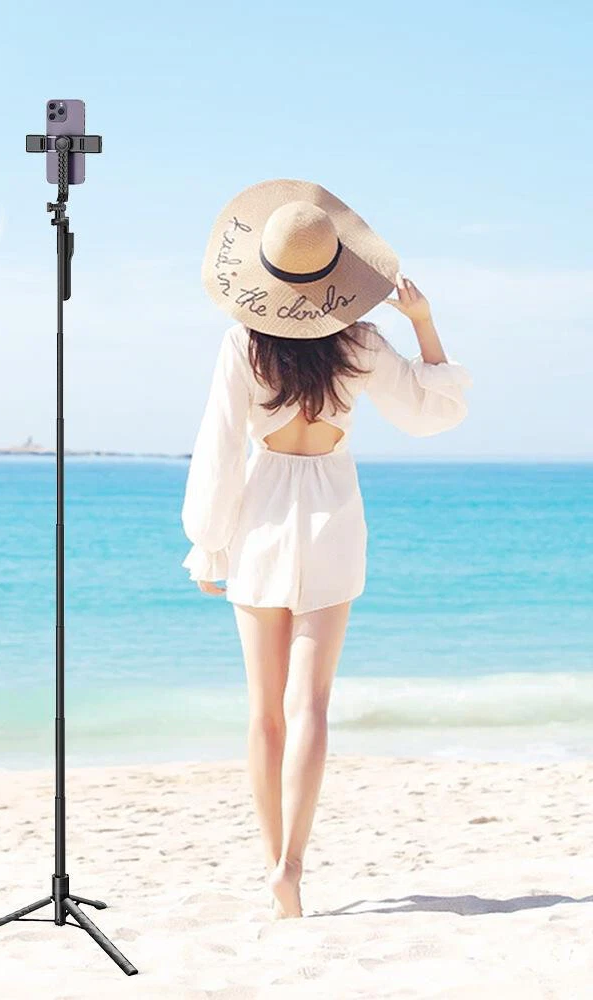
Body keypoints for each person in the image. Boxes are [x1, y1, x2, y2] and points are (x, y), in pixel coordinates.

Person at [181, 179, 473, 920]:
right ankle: (293, 867)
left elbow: (219, 448)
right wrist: (425, 323)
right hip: (333, 516)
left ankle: (271, 864)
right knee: (311, 705)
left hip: (262, 518)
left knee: (264, 713)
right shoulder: (361, 341)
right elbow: (433, 411)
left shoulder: (244, 343)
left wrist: (208, 544)